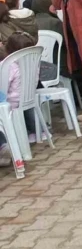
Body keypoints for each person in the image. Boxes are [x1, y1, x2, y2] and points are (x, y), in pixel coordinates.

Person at [0, 31, 37, 161]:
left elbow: (2, 89)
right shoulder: (34, 62)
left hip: (10, 102)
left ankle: (3, 145)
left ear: (8, 49)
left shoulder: (8, 65)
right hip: (27, 99)